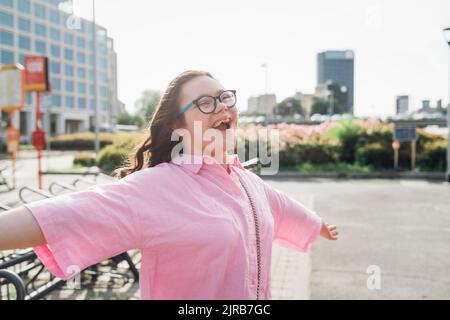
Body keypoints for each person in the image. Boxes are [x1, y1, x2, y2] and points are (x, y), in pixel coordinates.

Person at [0, 70, 339, 300]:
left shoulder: (244, 179)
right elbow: (65, 214)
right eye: (205, 102)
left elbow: (280, 207)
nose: (222, 106)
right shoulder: (158, 188)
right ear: (178, 124)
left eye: (224, 98)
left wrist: (317, 224)